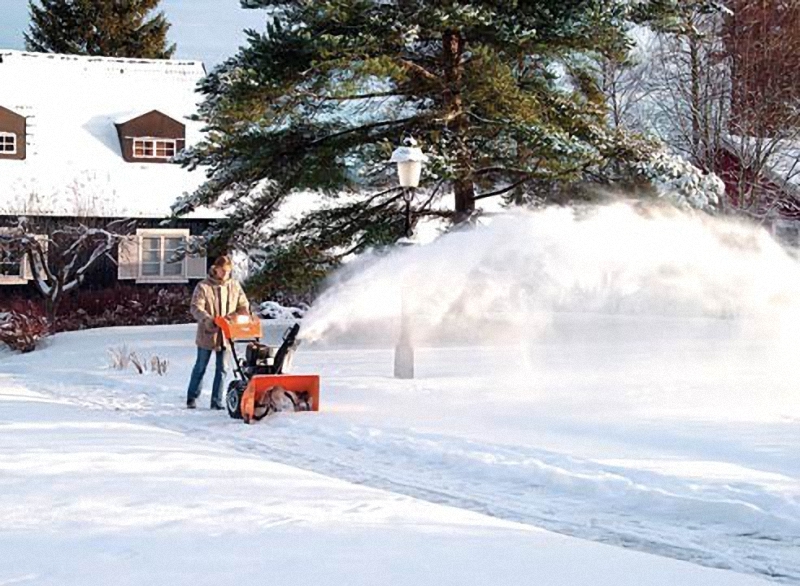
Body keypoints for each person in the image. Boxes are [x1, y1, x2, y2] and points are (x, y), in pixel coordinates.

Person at [186, 255, 249, 409]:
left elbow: (243, 305)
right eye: (222, 271)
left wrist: (235, 316)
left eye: (228, 271)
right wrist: (208, 319)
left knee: (222, 369)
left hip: (227, 334)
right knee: (201, 366)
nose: (225, 274)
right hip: (208, 333)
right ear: (215, 269)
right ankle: (192, 397)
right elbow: (196, 307)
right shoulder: (203, 287)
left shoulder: (234, 286)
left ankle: (216, 402)